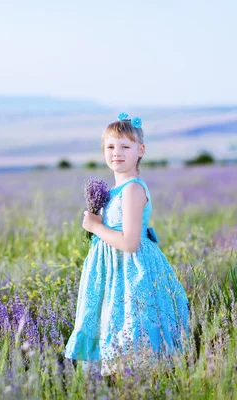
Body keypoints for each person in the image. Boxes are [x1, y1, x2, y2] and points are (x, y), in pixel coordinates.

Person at [64, 113, 190, 377]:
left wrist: (95, 227)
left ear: (140, 150)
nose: (116, 153)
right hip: (112, 272)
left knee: (133, 331)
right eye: (110, 147)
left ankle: (140, 383)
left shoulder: (133, 189)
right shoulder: (112, 192)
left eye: (125, 146)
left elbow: (131, 242)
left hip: (131, 271)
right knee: (115, 328)